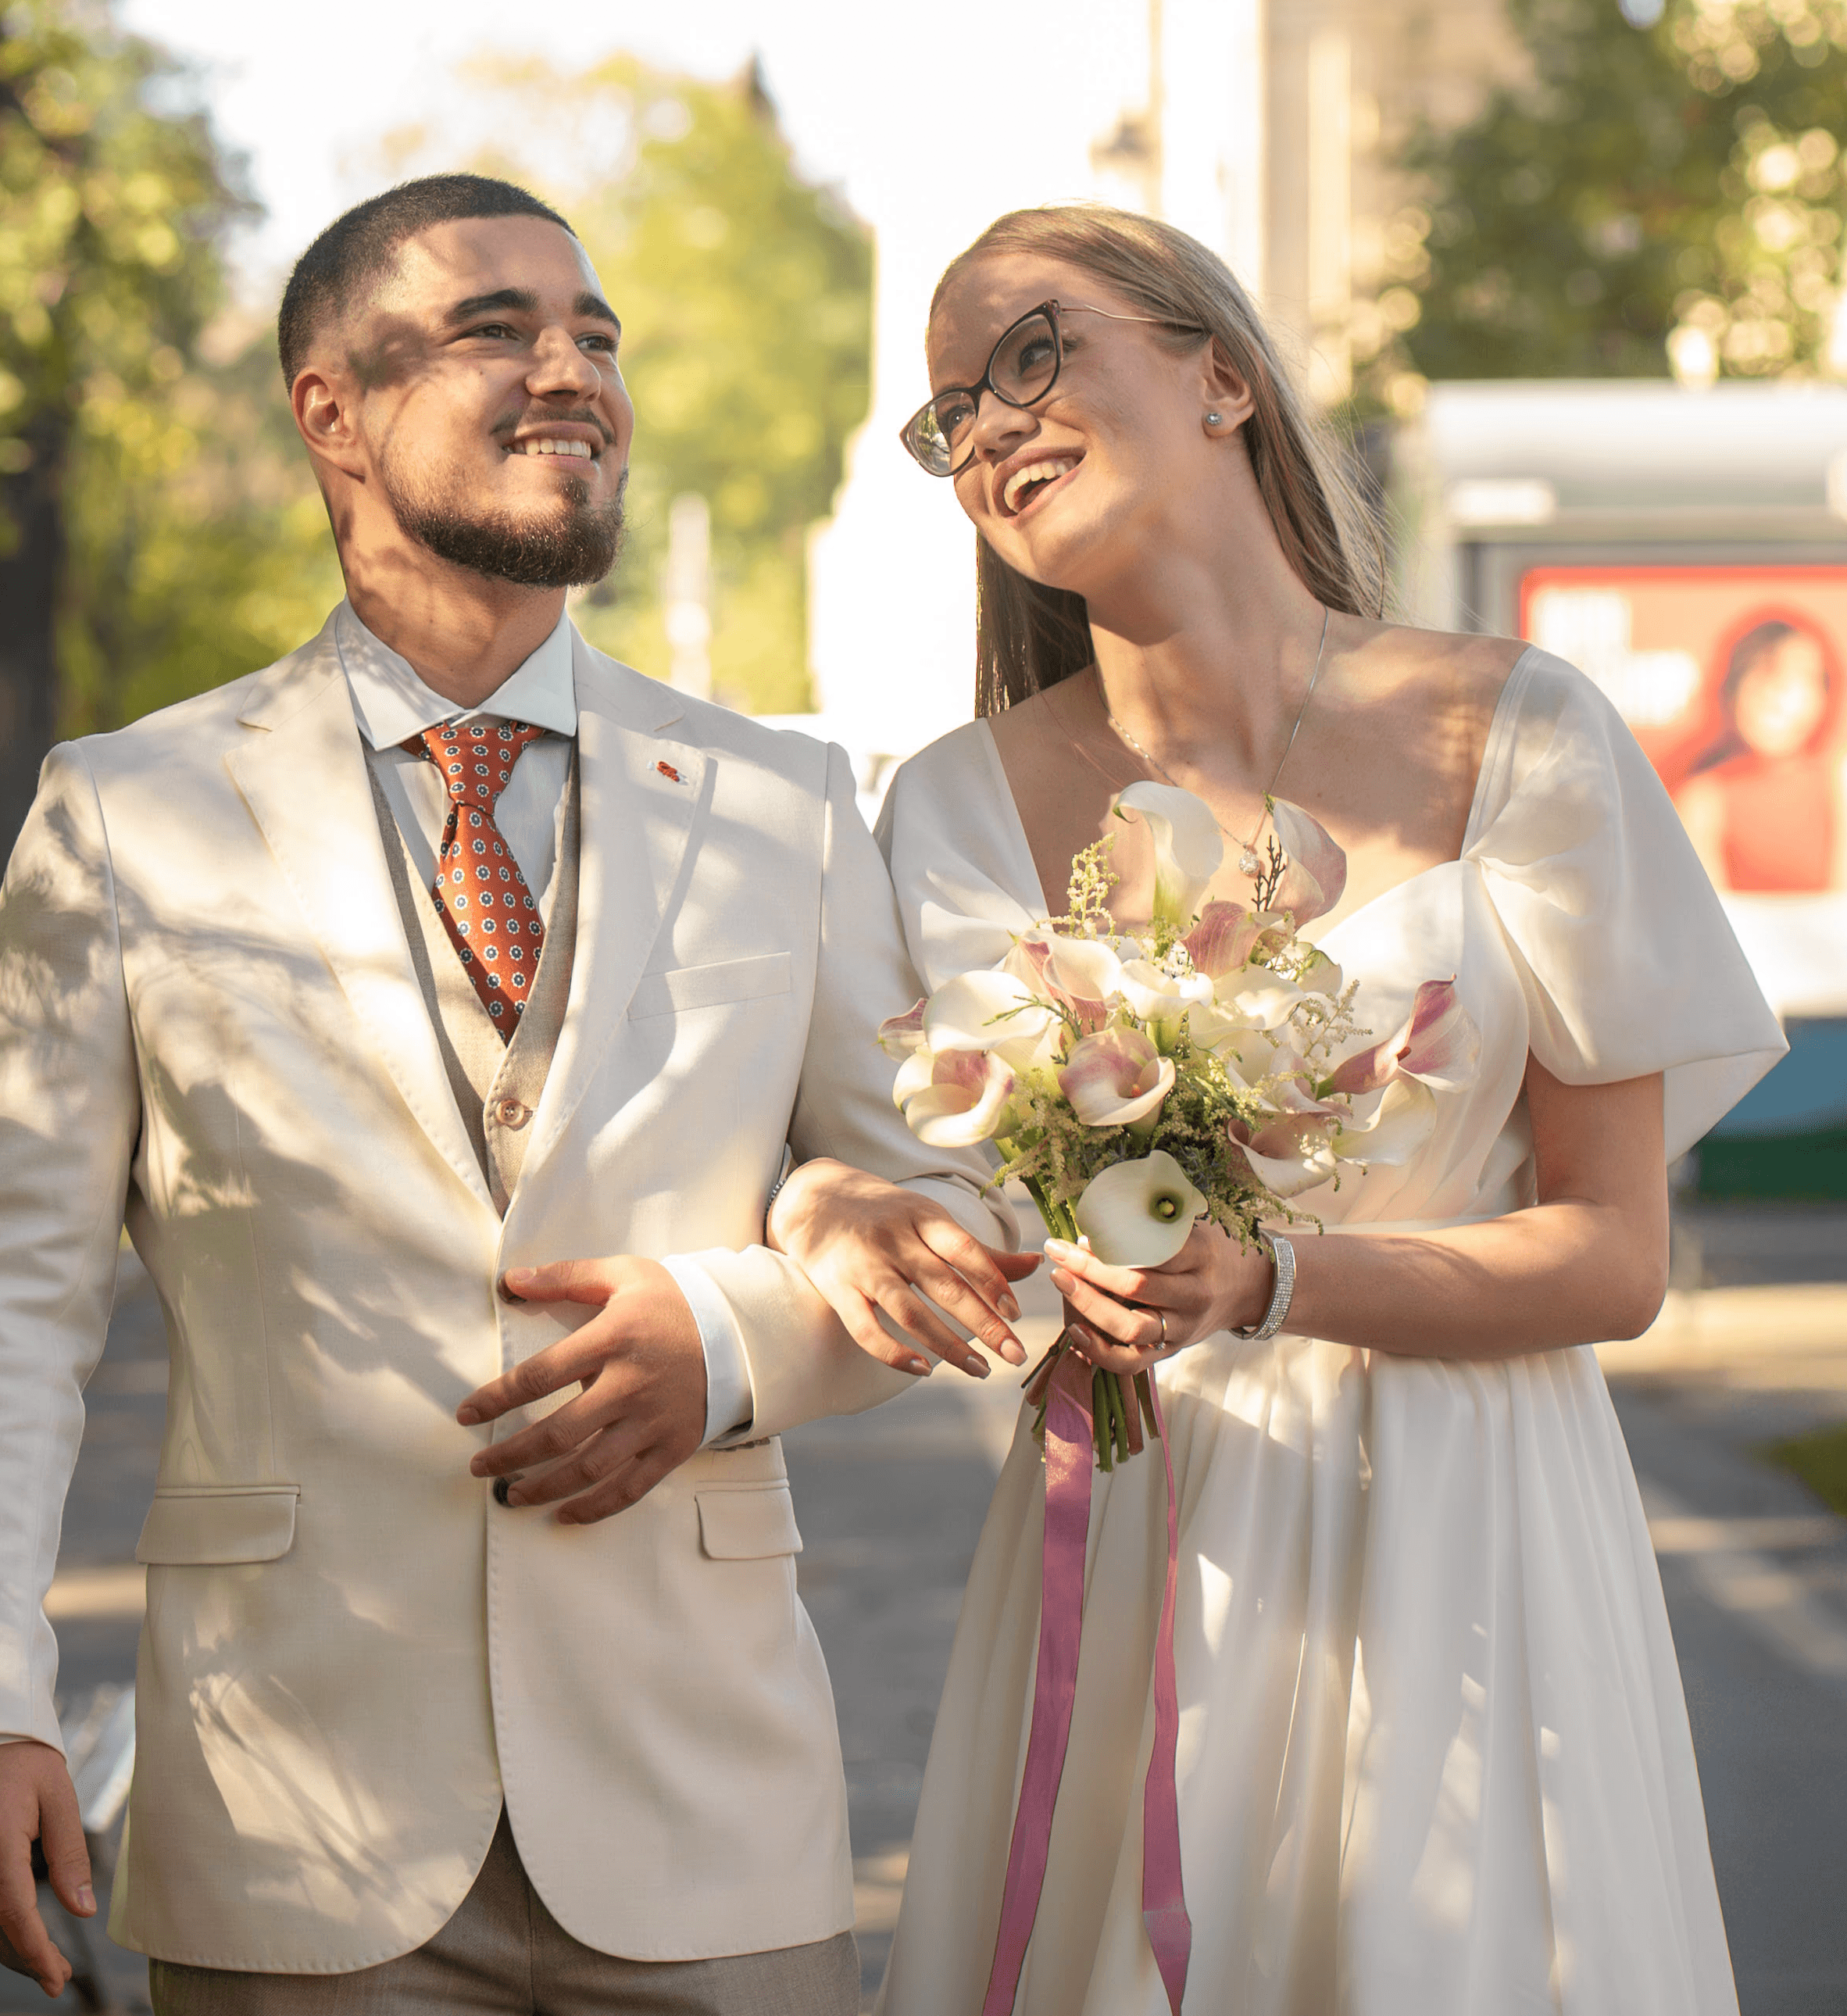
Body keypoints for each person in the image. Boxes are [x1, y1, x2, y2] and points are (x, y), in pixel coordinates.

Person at [0, 173, 1031, 2016]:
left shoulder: (778, 802)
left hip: (701, 1801)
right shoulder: (130, 811)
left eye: (593, 333)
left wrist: (725, 1339)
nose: (568, 368)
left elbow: (955, 1224)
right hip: (295, 1808)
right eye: (496, 326)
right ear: (328, 405)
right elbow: (6, 1292)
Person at [769, 204, 1788, 2014]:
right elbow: (913, 1187)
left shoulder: (1520, 734)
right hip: (1150, 1513)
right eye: (948, 415)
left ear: (1218, 373)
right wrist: (838, 1211)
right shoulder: (943, 808)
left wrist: (1268, 1281)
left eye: (1032, 353)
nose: (987, 429)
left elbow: (1615, 1251)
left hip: (1476, 1520)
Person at [1667, 613, 1844, 892]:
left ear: (1825, 697)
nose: (1775, 696)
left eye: (1802, 678)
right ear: (1733, 690)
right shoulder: (1704, 800)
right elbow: (1710, 923)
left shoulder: (1838, 781)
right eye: (1762, 674)